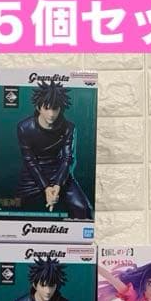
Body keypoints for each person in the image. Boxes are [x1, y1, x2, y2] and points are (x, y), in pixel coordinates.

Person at [16, 80, 92, 218]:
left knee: (84, 209)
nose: (51, 114)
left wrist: (57, 185)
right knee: (16, 209)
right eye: (47, 108)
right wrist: (46, 187)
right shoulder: (24, 127)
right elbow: (30, 161)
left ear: (60, 108)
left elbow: (67, 158)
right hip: (34, 175)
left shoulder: (69, 128)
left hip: (60, 173)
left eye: (55, 108)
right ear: (39, 108)